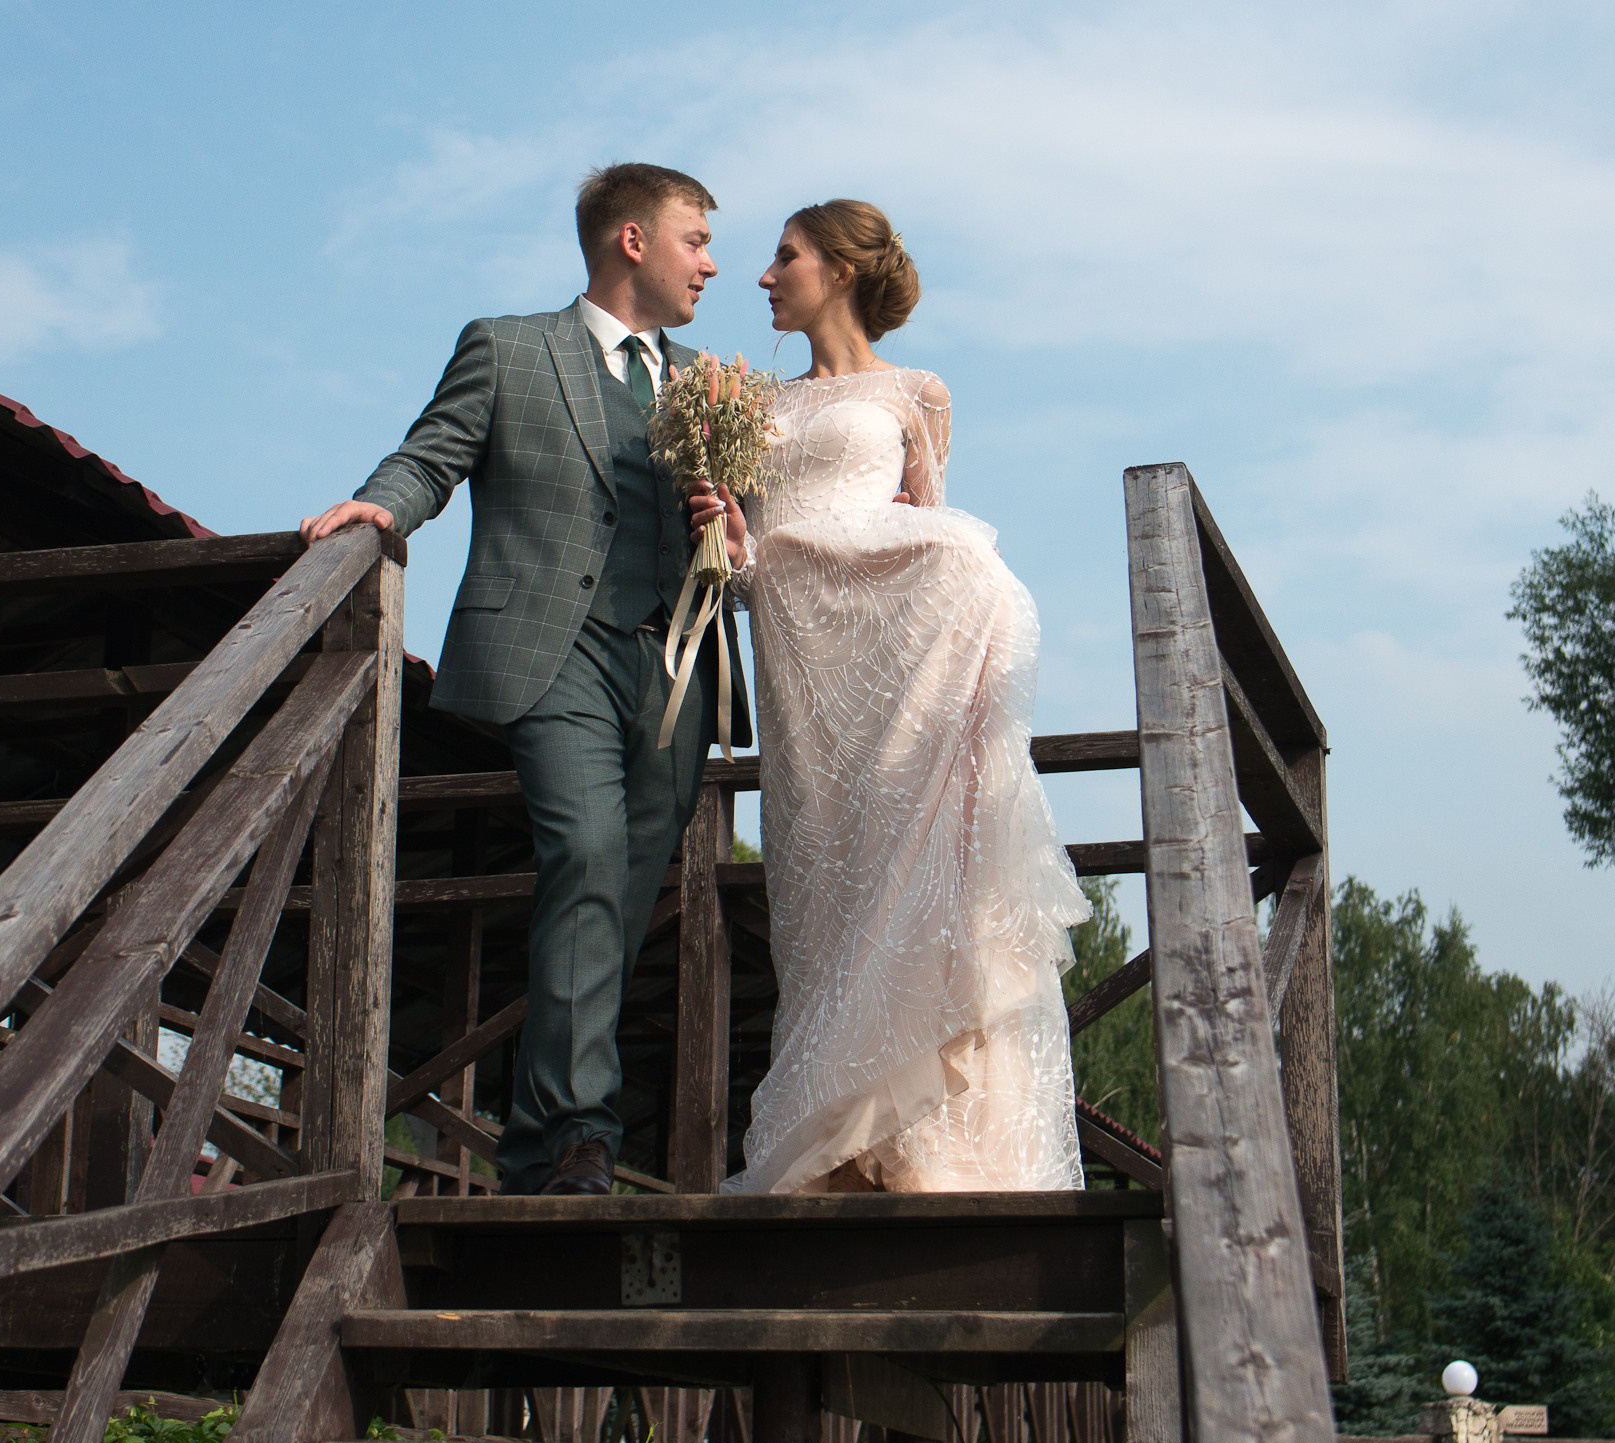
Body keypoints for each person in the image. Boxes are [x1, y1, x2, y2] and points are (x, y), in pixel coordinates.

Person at [302, 163, 751, 1196]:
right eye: (696, 240)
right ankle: (577, 1128)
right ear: (631, 240)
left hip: (675, 663)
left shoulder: (711, 387)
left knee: (620, 890)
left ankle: (543, 1137)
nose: (711, 264)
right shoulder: (507, 348)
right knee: (585, 850)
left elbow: (743, 539)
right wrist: (381, 510)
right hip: (552, 651)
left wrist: (732, 528)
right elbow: (431, 456)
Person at [697, 199, 1088, 1194]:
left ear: (835, 269)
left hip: (889, 668)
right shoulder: (750, 406)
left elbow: (928, 532)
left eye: (782, 256)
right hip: (801, 663)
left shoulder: (918, 392)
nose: (762, 276)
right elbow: (739, 565)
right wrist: (725, 536)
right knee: (824, 890)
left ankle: (927, 1151)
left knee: (905, 871)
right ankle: (838, 1152)